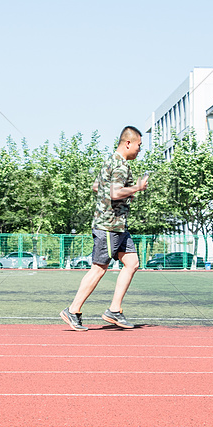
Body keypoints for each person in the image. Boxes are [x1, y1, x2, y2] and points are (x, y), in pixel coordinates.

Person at [60, 126, 149, 331]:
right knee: (99, 269)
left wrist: (124, 193)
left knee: (132, 263)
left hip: (117, 225)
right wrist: (136, 188)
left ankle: (114, 311)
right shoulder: (120, 166)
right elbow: (115, 193)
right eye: (138, 145)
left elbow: (96, 187)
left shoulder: (110, 161)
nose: (139, 150)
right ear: (128, 143)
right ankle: (73, 310)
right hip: (109, 226)